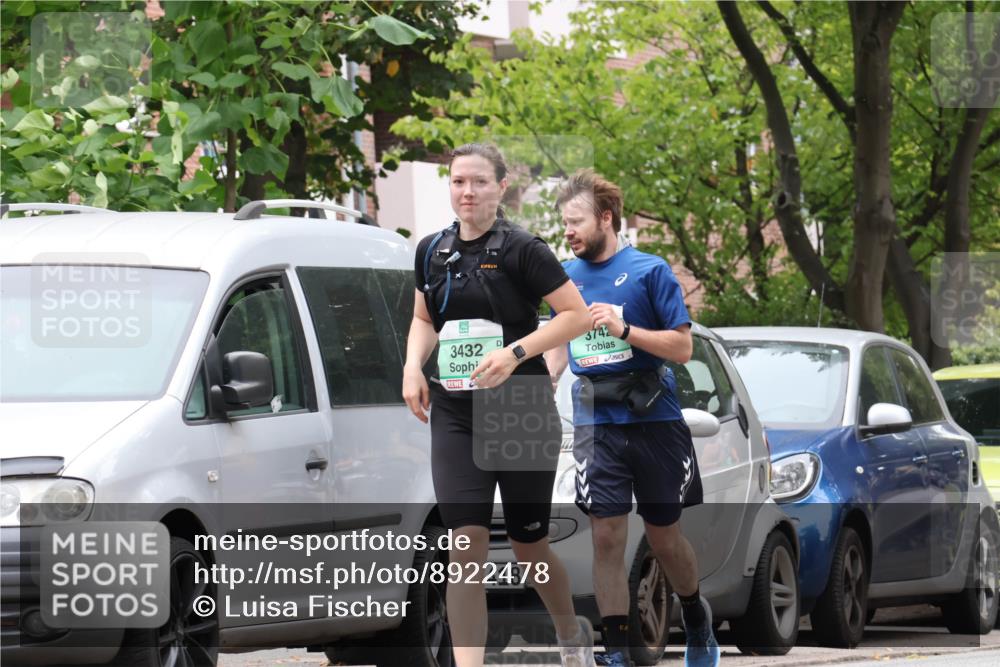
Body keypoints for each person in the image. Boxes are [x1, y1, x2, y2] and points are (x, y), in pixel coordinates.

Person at [402, 143, 596, 667]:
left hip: (519, 406)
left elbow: (574, 317)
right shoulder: (430, 250)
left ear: (500, 187)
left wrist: (515, 354)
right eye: (459, 181)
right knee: (465, 545)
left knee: (529, 544)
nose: (468, 192)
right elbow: (424, 320)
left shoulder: (523, 248)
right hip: (456, 410)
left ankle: (568, 632)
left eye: (480, 182)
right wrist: (412, 368)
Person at [544, 169, 720, 667]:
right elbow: (560, 339)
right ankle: (617, 651)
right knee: (605, 533)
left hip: (654, 421)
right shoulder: (564, 277)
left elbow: (683, 348)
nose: (569, 232)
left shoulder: (649, 271)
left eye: (576, 221)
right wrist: (548, 376)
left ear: (606, 218)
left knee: (663, 535)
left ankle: (696, 617)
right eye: (564, 224)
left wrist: (625, 330)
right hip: (597, 421)